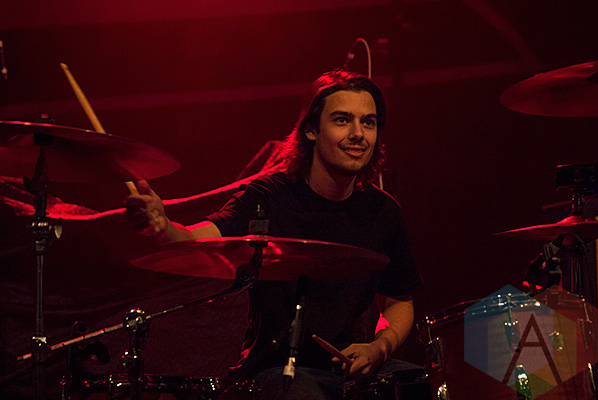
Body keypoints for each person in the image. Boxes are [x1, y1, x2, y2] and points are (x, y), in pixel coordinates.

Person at [125, 69, 423, 399]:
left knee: (421, 385)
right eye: (342, 120)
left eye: (368, 122)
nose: (358, 134)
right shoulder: (267, 197)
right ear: (311, 130)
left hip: (353, 370)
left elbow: (400, 302)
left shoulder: (383, 211)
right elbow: (198, 239)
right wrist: (164, 227)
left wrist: (381, 347)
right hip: (276, 370)